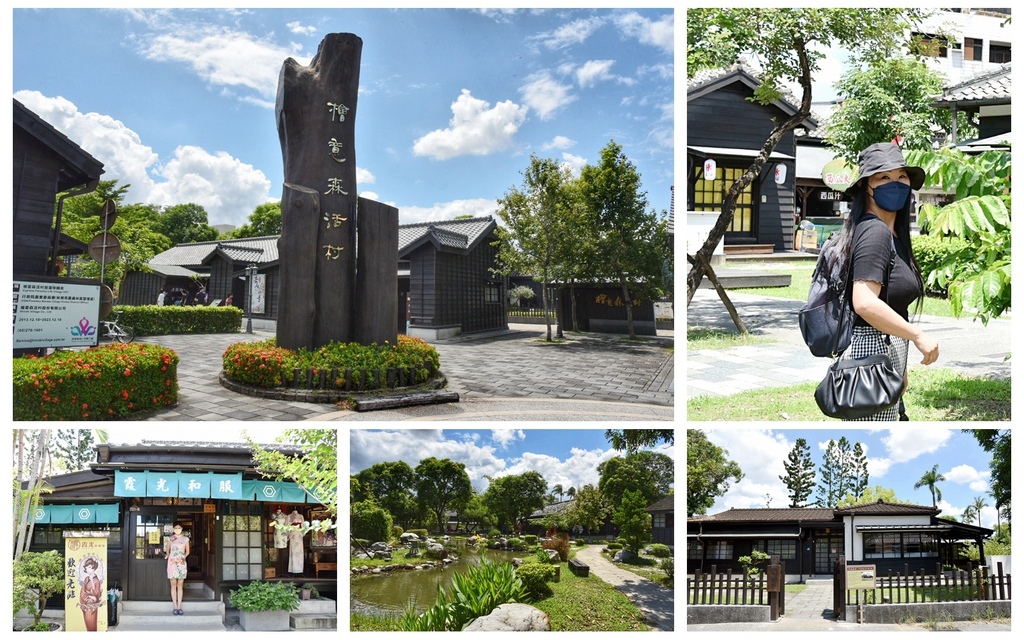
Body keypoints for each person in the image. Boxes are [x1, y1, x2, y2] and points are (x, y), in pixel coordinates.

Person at [829, 142, 940, 421]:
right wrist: (918, 336)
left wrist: (900, 366)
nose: (895, 183)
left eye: (901, 176)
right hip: (869, 357)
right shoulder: (874, 232)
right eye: (883, 177)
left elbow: (891, 302)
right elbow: (864, 303)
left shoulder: (894, 235)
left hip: (885, 353)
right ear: (866, 185)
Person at [164, 523, 190, 615]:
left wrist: (183, 557)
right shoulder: (170, 539)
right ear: (173, 529)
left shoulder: (185, 539)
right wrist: (167, 555)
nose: (177, 529)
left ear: (182, 529)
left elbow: (187, 551)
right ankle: (175, 606)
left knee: (180, 585)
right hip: (172, 563)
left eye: (179, 528)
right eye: (176, 528)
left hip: (181, 563)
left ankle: (179, 606)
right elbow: (167, 550)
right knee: (173, 585)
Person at [78, 556, 104, 631]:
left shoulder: (97, 581)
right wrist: (88, 596)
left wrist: (94, 597)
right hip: (86, 604)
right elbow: (83, 591)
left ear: (94, 568)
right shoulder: (86, 579)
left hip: (93, 606)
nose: (88, 569)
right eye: (87, 567)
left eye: (90, 567)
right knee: (87, 622)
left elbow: (97, 593)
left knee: (92, 622)